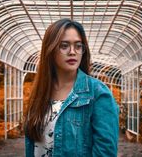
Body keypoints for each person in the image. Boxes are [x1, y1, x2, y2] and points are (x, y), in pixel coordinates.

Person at [24, 18, 119, 156]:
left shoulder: (98, 93)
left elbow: (106, 153)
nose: (72, 52)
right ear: (50, 49)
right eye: (64, 46)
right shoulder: (40, 92)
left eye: (78, 46)